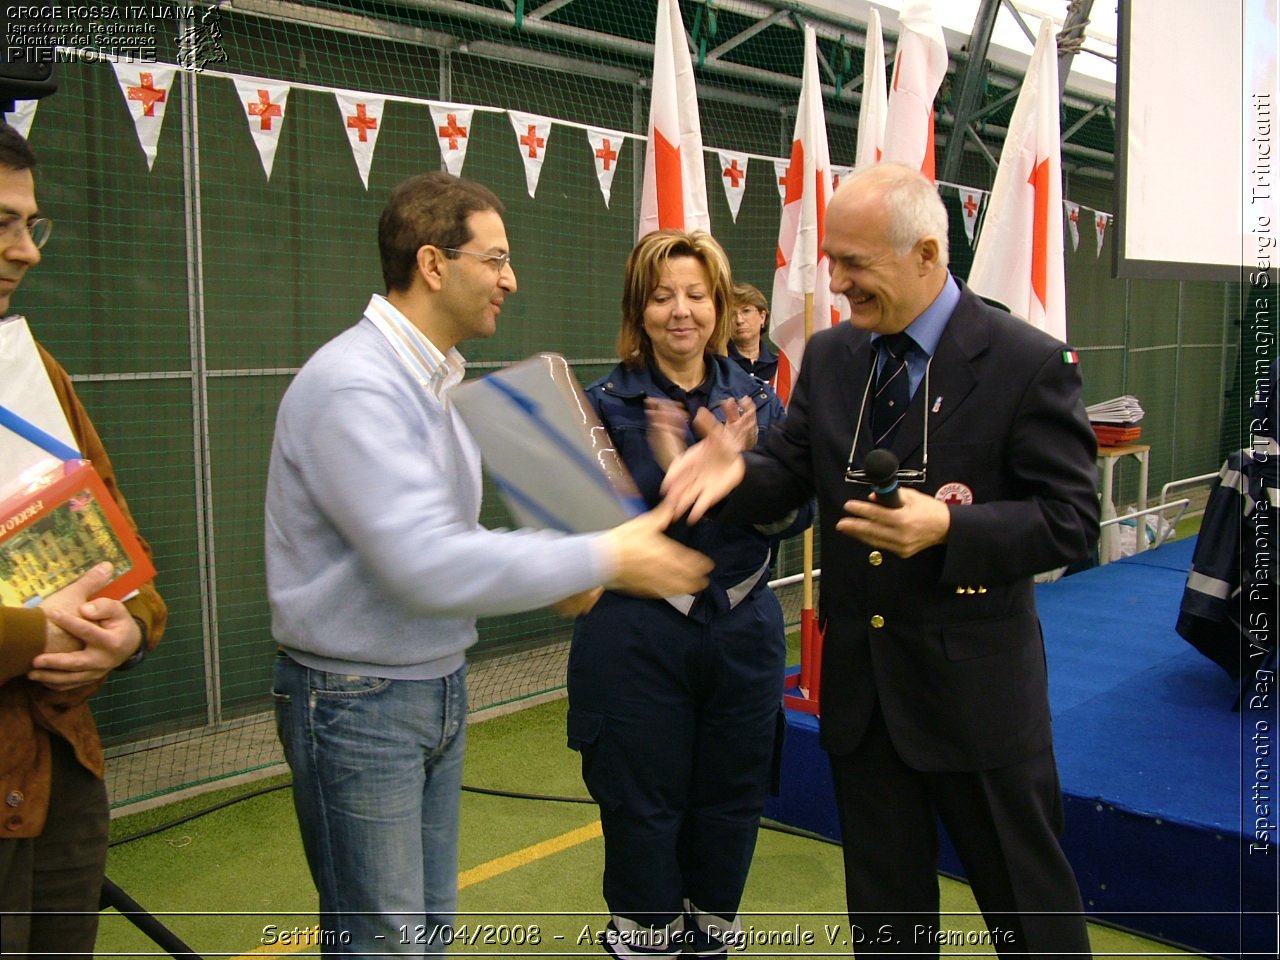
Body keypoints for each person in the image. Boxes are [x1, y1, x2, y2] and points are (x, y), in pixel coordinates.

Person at [265, 172, 712, 957]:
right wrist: (604, 553)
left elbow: (445, 539)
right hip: (357, 698)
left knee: (426, 933)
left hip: (427, 682)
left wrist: (576, 567)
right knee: (385, 944)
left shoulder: (435, 380)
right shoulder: (355, 383)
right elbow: (423, 561)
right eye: (495, 258)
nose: (511, 278)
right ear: (434, 264)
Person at [657, 163, 1099, 957]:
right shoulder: (832, 358)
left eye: (855, 263)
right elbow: (787, 482)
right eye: (831, 259)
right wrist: (731, 476)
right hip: (864, 706)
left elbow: (1071, 522)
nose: (836, 281)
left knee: (1033, 921)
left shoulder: (1025, 362)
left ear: (927, 254)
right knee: (888, 931)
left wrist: (950, 532)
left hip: (979, 705)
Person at [566, 229, 810, 960]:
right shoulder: (600, 407)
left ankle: (712, 933)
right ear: (638, 309)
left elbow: (798, 511)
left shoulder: (760, 405)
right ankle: (645, 937)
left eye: (697, 296)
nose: (681, 312)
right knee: (642, 805)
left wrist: (737, 476)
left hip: (743, 629)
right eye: (663, 296)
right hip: (637, 635)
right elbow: (588, 530)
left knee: (733, 797)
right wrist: (675, 479)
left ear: (722, 305)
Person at [0, 122, 167, 957]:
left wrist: (130, 630)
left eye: (31, 224)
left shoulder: (37, 373)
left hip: (59, 765)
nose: (25, 250)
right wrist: (42, 634)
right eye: (1, 222)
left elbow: (124, 551)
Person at [727, 281, 778, 384]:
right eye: (732, 314)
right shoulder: (717, 365)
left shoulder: (779, 368)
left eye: (746, 311)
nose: (739, 320)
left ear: (762, 317)